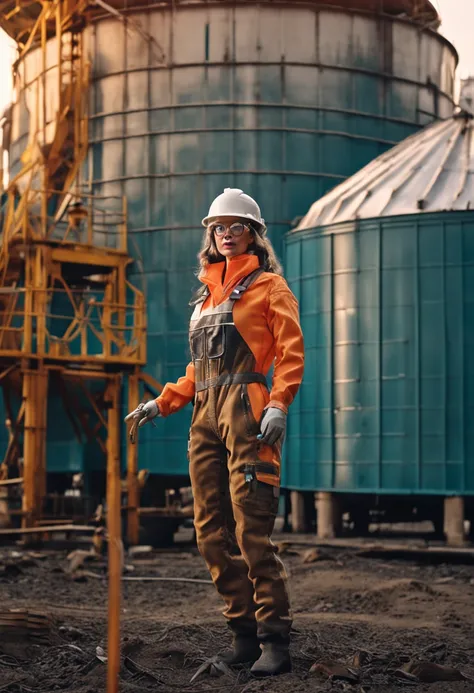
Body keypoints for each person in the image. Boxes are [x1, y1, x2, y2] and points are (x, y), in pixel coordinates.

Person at [125, 188, 304, 676]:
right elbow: (198, 368)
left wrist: (279, 403)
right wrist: (162, 402)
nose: (226, 234)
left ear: (254, 234)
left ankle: (274, 641)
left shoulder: (270, 287)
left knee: (252, 532)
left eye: (236, 227)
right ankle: (243, 635)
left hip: (246, 411)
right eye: (218, 228)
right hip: (203, 413)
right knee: (208, 534)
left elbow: (291, 352)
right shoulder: (204, 296)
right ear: (211, 235)